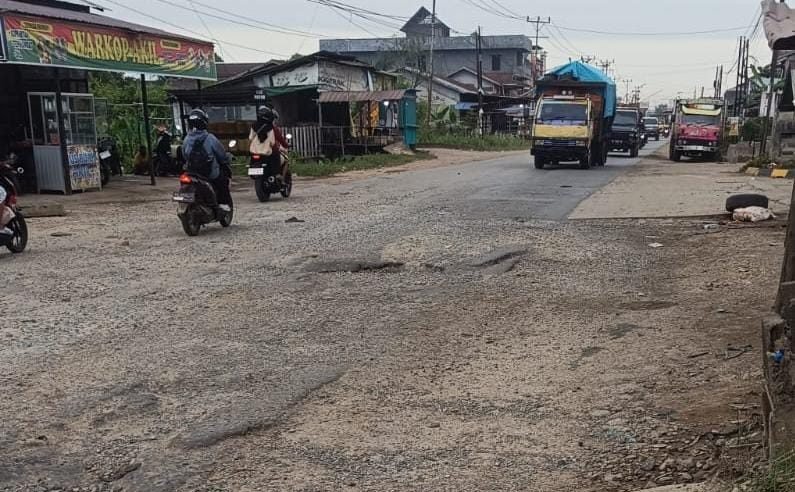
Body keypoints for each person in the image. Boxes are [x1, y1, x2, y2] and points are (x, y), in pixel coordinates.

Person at [182, 109, 232, 211]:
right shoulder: (210, 138)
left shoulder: (186, 139)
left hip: (192, 172)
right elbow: (221, 155)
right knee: (222, 180)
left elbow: (184, 155)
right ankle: (223, 203)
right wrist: (226, 160)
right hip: (209, 173)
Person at [249, 106, 288, 180]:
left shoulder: (254, 125)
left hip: (255, 151)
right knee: (276, 155)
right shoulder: (271, 128)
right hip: (267, 151)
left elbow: (250, 138)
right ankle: (276, 174)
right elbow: (273, 142)